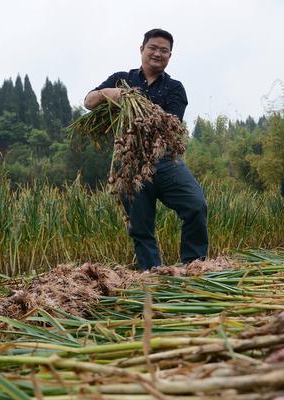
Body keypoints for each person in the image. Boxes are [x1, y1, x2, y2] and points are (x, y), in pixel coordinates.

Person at [83, 28, 208, 271]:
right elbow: (88, 102)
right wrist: (110, 93)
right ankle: (152, 276)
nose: (158, 54)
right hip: (128, 163)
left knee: (196, 205)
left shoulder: (175, 88)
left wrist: (135, 103)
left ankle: (194, 267)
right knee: (140, 226)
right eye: (153, 48)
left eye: (164, 50)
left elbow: (169, 124)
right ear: (142, 49)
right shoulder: (121, 79)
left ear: (170, 56)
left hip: (165, 161)